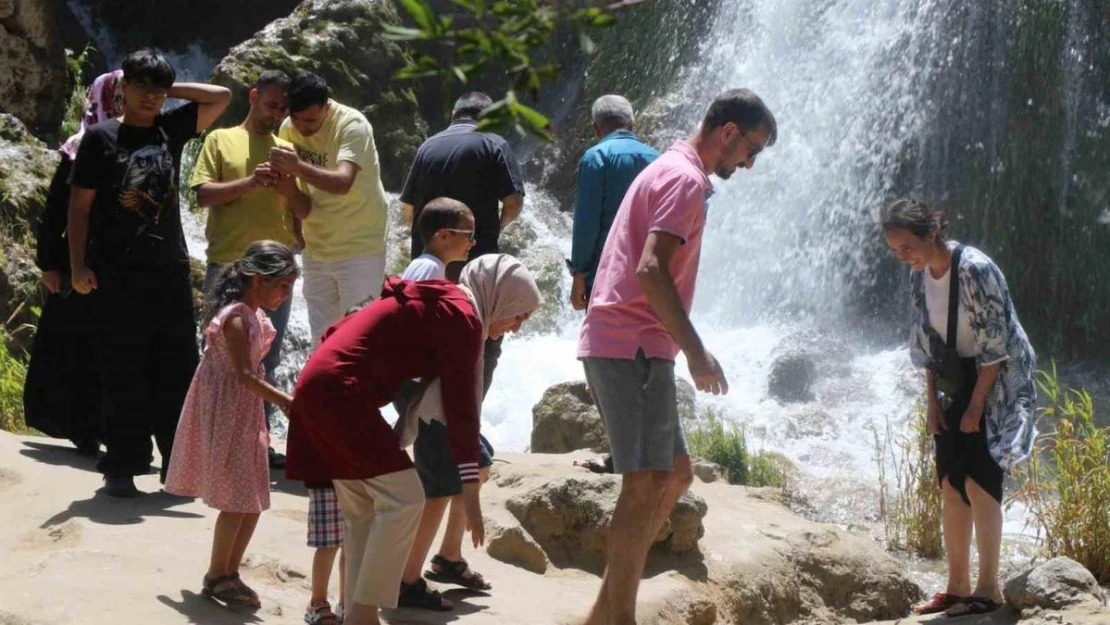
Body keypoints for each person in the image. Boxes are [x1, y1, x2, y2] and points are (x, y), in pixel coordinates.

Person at [576, 89, 776, 625]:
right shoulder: (685, 180)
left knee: (676, 474)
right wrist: (697, 353)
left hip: (635, 342)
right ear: (728, 132)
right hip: (633, 343)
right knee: (643, 484)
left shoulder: (670, 166)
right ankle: (620, 617)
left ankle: (604, 612)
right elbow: (650, 269)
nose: (749, 164)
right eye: (750, 149)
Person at [285, 255, 543, 625]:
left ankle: (358, 614)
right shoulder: (464, 315)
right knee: (406, 498)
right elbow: (461, 404)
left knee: (363, 512)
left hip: (317, 385)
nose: (517, 327)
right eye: (520, 315)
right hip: (341, 393)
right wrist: (470, 491)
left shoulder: (448, 302)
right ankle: (362, 615)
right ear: (502, 297)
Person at [67, 49, 232, 497]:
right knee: (123, 367)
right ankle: (121, 464)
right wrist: (77, 265)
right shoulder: (100, 138)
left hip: (169, 271)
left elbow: (222, 97)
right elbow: (79, 209)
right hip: (116, 273)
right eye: (142, 88)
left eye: (158, 91)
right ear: (123, 88)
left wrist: (165, 87)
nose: (150, 98)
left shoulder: (169, 128)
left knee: (177, 368)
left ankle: (176, 469)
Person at [882, 198, 1037, 618]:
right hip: (953, 377)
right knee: (951, 482)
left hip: (996, 377)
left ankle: (988, 590)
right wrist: (932, 401)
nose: (902, 257)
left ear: (931, 233)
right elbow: (927, 344)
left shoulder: (976, 269)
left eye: (907, 248)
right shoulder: (920, 276)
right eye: (895, 251)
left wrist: (977, 405)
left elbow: (997, 345)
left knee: (981, 482)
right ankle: (956, 587)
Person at [164, 240, 298, 609]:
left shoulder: (254, 315)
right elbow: (242, 375)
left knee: (253, 498)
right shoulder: (237, 317)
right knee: (237, 499)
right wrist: (285, 401)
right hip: (231, 411)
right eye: (283, 285)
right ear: (258, 279)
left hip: (247, 411)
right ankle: (217, 573)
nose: (287, 294)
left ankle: (229, 572)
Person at [191, 69, 307, 469]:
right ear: (254, 96)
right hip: (228, 264)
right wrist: (250, 184)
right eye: (272, 103)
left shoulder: (286, 149)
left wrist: (288, 186)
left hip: (275, 273)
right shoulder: (221, 139)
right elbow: (203, 195)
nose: (277, 113)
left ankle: (259, 442)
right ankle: (206, 441)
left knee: (268, 357)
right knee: (216, 356)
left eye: (283, 108)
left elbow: (303, 209)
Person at [395, 199, 496, 608]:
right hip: (425, 391)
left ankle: (448, 556)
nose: (473, 242)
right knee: (437, 488)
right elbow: (409, 322)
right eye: (468, 234)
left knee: (480, 463)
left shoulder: (436, 269)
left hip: (426, 386)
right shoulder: (427, 270)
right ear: (443, 235)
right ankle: (407, 581)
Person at [399, 91, 526, 396]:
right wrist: (491, 229)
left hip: (432, 266)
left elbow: (408, 211)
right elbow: (514, 201)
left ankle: (429, 418)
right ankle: (467, 419)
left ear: (454, 116)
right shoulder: (494, 143)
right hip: (476, 269)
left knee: (430, 341)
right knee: (482, 343)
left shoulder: (427, 146)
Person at [24, 69, 124, 455]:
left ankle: (111, 427)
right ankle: (83, 427)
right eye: (119, 96)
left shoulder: (136, 141)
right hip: (80, 260)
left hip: (120, 261)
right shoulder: (79, 147)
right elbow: (55, 212)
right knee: (78, 347)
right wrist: (51, 264)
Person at [272, 72, 390, 344]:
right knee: (321, 340)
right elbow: (294, 190)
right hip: (316, 248)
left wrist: (297, 165)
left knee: (360, 339)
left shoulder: (353, 125)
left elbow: (342, 182)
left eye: (311, 120)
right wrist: (296, 230)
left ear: (327, 107)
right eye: (296, 118)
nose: (302, 127)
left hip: (361, 248)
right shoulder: (288, 128)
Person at [568, 95, 659, 311]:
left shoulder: (596, 157)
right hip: (650, 275)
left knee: (606, 341)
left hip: (606, 275)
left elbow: (586, 223)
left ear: (596, 129)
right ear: (632, 123)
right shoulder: (658, 158)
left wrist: (579, 273)